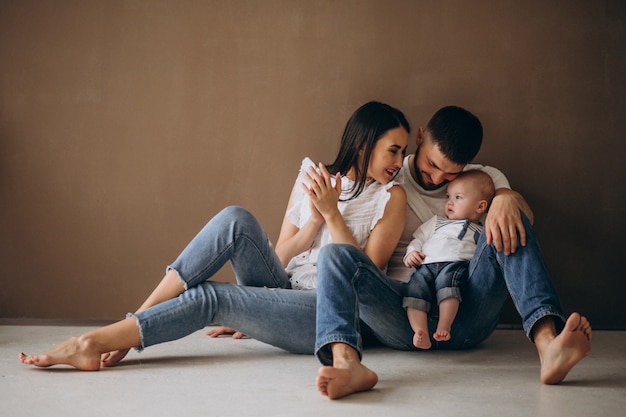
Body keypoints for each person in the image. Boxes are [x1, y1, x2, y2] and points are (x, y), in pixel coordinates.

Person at [18, 101, 410, 370]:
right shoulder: (316, 177)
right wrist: (313, 222)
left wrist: (331, 213)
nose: (398, 162)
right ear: (363, 143)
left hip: (329, 312)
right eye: (393, 150)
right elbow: (284, 254)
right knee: (235, 218)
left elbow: (362, 277)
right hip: (288, 288)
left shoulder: (391, 198)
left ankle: (97, 342)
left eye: (403, 152)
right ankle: (137, 317)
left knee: (213, 297)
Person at [314, 106, 592, 400]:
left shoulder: (482, 178)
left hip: (469, 311)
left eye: (450, 173)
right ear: (420, 137)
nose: (437, 179)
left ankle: (549, 346)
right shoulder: (390, 176)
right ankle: (347, 365)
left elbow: (526, 221)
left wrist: (506, 197)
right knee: (335, 254)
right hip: (403, 315)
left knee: (509, 217)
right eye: (432, 165)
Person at [403, 169, 495, 349]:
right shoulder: (437, 221)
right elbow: (419, 239)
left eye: (458, 197)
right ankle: (420, 331)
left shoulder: (481, 230)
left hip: (456, 265)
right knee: (414, 288)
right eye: (448, 196)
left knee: (449, 285)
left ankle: (444, 325)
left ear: (480, 207)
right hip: (426, 265)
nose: (450, 202)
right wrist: (411, 252)